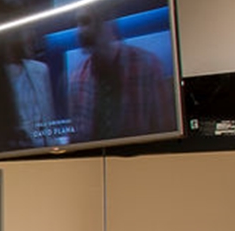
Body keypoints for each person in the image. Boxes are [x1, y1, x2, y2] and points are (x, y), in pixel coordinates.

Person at [68, 9, 175, 142]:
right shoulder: (77, 78)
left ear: (107, 23)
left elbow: (165, 129)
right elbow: (76, 140)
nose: (78, 31)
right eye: (76, 24)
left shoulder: (147, 66)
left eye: (85, 22)